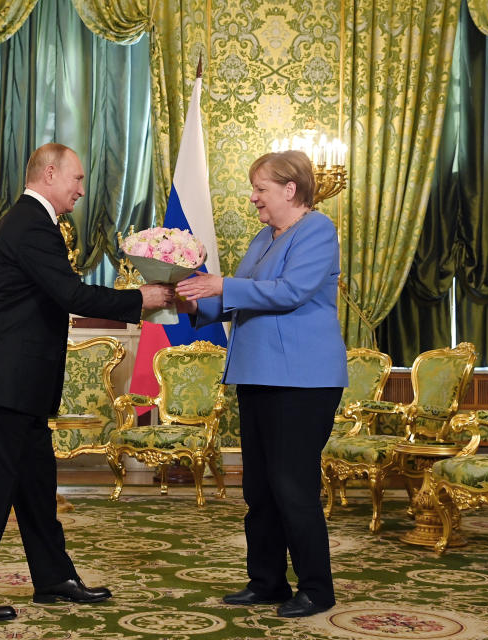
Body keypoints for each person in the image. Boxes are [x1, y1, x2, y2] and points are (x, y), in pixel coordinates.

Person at [0, 143, 174, 622]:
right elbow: (69, 293)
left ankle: (52, 578)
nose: (81, 190)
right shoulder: (31, 223)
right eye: (77, 180)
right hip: (5, 384)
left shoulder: (32, 222)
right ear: (50, 172)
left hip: (19, 386)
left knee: (37, 489)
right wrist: (139, 298)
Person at [176, 150, 347, 618]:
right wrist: (192, 300)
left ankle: (316, 588)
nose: (253, 199)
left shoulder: (317, 230)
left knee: (293, 486)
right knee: (260, 489)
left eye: (261, 189)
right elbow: (237, 299)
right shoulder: (263, 237)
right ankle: (267, 581)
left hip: (302, 381)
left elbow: (291, 291)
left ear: (291, 190)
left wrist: (220, 286)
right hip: (257, 375)